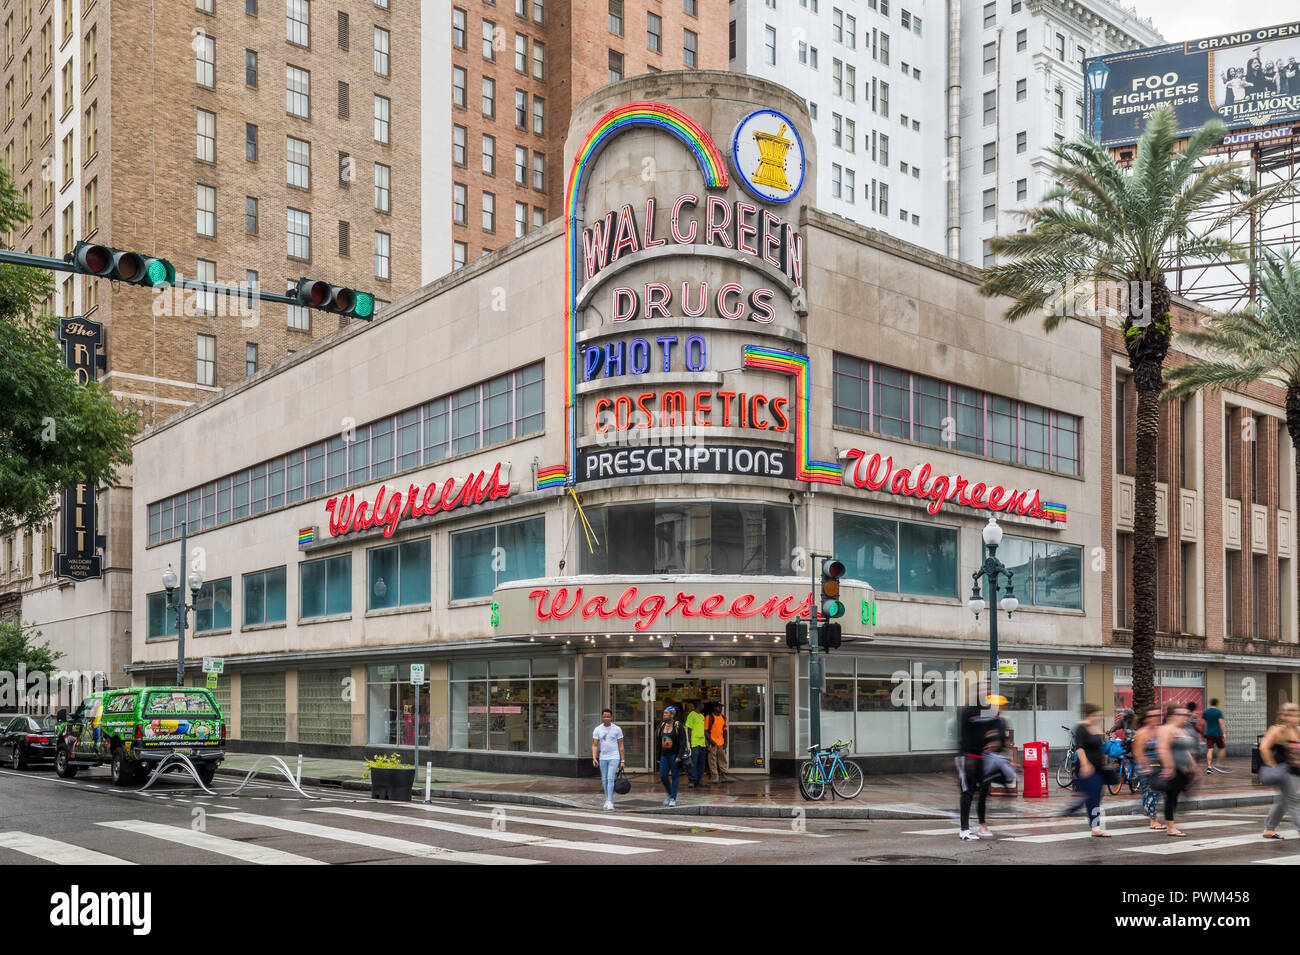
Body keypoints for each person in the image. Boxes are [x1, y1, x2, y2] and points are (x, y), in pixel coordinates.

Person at [956, 694, 1011, 841]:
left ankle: (982, 823)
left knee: (983, 792)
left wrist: (1004, 752)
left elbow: (1003, 741)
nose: (1001, 708)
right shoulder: (983, 719)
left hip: (987, 761)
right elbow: (973, 737)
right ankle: (966, 828)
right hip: (977, 759)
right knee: (969, 792)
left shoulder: (1001, 722)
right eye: (998, 705)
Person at [1062, 703, 1111, 837]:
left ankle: (1077, 813)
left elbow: (1099, 746)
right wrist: (1085, 764)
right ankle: (1094, 826)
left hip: (1099, 769)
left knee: (1097, 795)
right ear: (1090, 715)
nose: (1099, 718)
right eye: (1098, 715)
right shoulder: (1080, 728)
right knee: (1092, 797)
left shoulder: (1094, 727)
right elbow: (1080, 748)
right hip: (1088, 769)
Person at [1156, 703, 1199, 836]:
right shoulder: (1167, 729)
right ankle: (1170, 827)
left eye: (1186, 714)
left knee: (1176, 795)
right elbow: (1162, 748)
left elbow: (1185, 750)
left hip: (1183, 770)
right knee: (1171, 797)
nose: (1185, 717)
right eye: (1181, 714)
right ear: (1173, 715)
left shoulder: (1182, 729)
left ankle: (1172, 821)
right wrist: (1169, 766)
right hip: (1173, 769)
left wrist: (1193, 765)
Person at [1261, 703, 1300, 839]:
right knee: (1294, 800)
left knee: (1283, 801)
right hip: (1283, 772)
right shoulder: (1277, 730)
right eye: (1288, 714)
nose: (1292, 717)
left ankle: (1269, 829)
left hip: (1296, 772)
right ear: (1283, 716)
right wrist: (1273, 767)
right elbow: (1264, 748)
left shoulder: (1298, 731)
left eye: (1295, 714)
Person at [1132, 706, 1165, 830]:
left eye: (1158, 715)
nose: (1156, 718)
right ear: (1146, 718)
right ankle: (1153, 820)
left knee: (1158, 791)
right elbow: (1138, 752)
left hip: (1159, 764)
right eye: (1152, 716)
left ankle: (1144, 808)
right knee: (1152, 792)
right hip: (1146, 765)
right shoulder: (1142, 732)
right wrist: (1146, 767)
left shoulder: (1160, 730)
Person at [591, 708, 625, 811]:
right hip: (603, 757)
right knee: (604, 779)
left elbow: (621, 745)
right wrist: (594, 757)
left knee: (610, 778)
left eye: (608, 716)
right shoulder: (597, 729)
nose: (606, 718)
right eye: (604, 716)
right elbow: (595, 745)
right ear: (602, 717)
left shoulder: (617, 729)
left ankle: (610, 801)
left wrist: (622, 760)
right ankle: (607, 799)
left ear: (611, 717)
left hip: (614, 756)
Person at [656, 705, 689, 807]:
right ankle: (670, 794)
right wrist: (658, 756)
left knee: (675, 776)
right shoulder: (662, 725)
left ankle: (673, 798)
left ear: (672, 714)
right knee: (663, 775)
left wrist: (679, 756)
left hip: (674, 755)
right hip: (664, 755)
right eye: (664, 713)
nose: (664, 715)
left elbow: (683, 742)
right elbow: (658, 741)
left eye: (666, 713)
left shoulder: (678, 726)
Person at [683, 699, 707, 788]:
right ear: (699, 705)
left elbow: (703, 730)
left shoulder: (701, 716)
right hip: (694, 743)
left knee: (701, 763)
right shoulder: (691, 715)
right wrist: (688, 742)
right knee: (693, 762)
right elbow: (688, 729)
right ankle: (692, 780)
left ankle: (698, 780)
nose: (703, 706)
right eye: (702, 704)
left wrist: (706, 742)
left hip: (702, 743)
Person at [1201, 698, 1228, 773]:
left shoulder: (1206, 712)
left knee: (1210, 749)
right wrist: (1223, 733)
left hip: (1209, 734)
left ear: (1211, 703)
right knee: (1222, 748)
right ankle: (1219, 764)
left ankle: (1209, 767)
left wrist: (1203, 732)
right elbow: (1221, 724)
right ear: (1217, 704)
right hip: (1218, 734)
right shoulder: (1218, 712)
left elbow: (1202, 724)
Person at [705, 701, 729, 783]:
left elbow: (725, 731)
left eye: (721, 707)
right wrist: (711, 741)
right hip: (713, 743)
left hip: (721, 743)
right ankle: (715, 777)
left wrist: (726, 742)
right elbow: (706, 731)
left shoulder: (723, 717)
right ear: (714, 708)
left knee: (722, 760)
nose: (721, 708)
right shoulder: (709, 717)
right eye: (719, 706)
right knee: (712, 761)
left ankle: (724, 775)